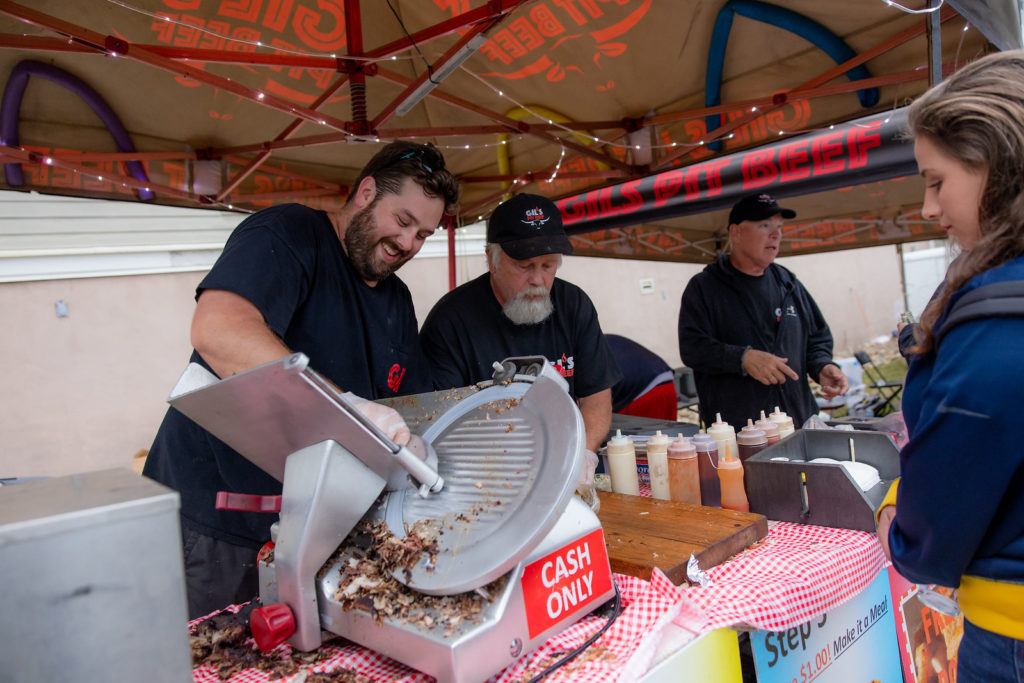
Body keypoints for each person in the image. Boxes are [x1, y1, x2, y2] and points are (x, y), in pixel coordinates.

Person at [143, 141, 460, 619]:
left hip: (311, 534)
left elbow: (409, 406)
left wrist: (416, 447)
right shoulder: (289, 233)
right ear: (367, 191)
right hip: (212, 527)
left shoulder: (397, 302)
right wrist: (347, 405)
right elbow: (219, 329)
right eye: (403, 220)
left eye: (424, 234)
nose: (409, 243)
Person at [875, 50, 1024, 683]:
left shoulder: (999, 314)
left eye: (937, 182)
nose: (930, 208)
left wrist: (895, 524)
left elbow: (938, 512)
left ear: (999, 165)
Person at [420, 193, 621, 458]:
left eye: (548, 265)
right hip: (487, 466)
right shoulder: (450, 322)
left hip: (563, 453)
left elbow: (595, 397)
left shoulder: (574, 305)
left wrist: (582, 455)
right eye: (524, 266)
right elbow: (441, 423)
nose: (538, 279)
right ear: (491, 260)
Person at [677, 192, 849, 430]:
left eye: (779, 226)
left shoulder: (787, 282)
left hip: (798, 423)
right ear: (736, 233)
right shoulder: (705, 287)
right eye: (764, 225)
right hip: (741, 433)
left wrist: (822, 365)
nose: (775, 234)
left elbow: (817, 336)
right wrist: (742, 358)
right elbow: (692, 347)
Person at [605, 334, 678, 420]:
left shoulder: (592, 351)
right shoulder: (600, 342)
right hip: (666, 380)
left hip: (644, 392)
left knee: (642, 432)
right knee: (667, 432)